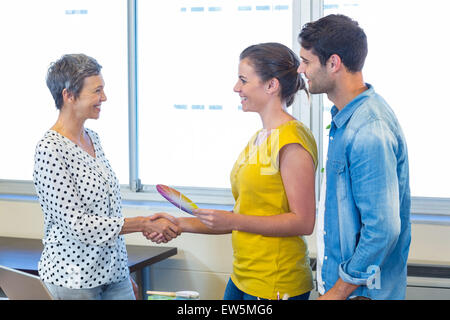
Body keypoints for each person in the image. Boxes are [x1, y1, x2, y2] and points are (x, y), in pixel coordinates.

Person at [146, 43, 318, 300]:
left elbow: (303, 222)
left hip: (276, 282)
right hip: (242, 277)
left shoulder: (291, 140)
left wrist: (233, 220)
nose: (236, 88)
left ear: (271, 85)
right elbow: (245, 215)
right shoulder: (260, 138)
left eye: (243, 80)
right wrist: (179, 224)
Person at [33, 54, 180, 300]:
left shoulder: (92, 138)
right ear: (68, 95)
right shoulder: (50, 149)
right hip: (75, 281)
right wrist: (143, 223)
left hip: (113, 275)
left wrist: (122, 271)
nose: (104, 98)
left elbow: (107, 213)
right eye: (97, 91)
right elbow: (79, 225)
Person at [297, 14, 411, 300]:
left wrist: (337, 292)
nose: (301, 69)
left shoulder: (368, 128)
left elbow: (382, 230)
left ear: (333, 63)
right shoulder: (345, 120)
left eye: (307, 61)